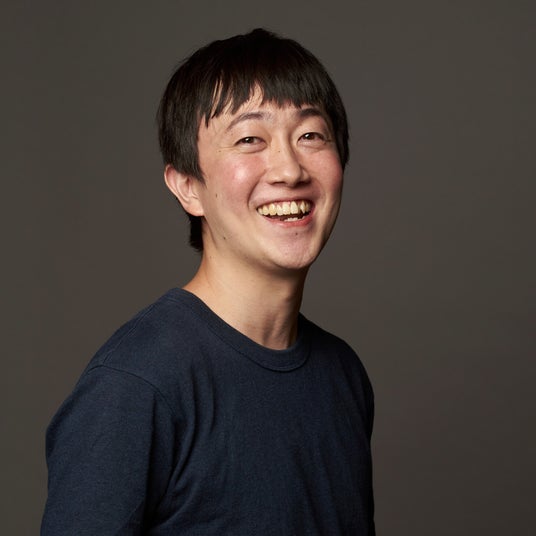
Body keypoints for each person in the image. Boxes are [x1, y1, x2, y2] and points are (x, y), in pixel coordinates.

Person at [41, 28, 375, 535]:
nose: (289, 169)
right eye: (249, 139)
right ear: (188, 187)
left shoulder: (343, 376)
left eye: (310, 135)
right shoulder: (136, 385)